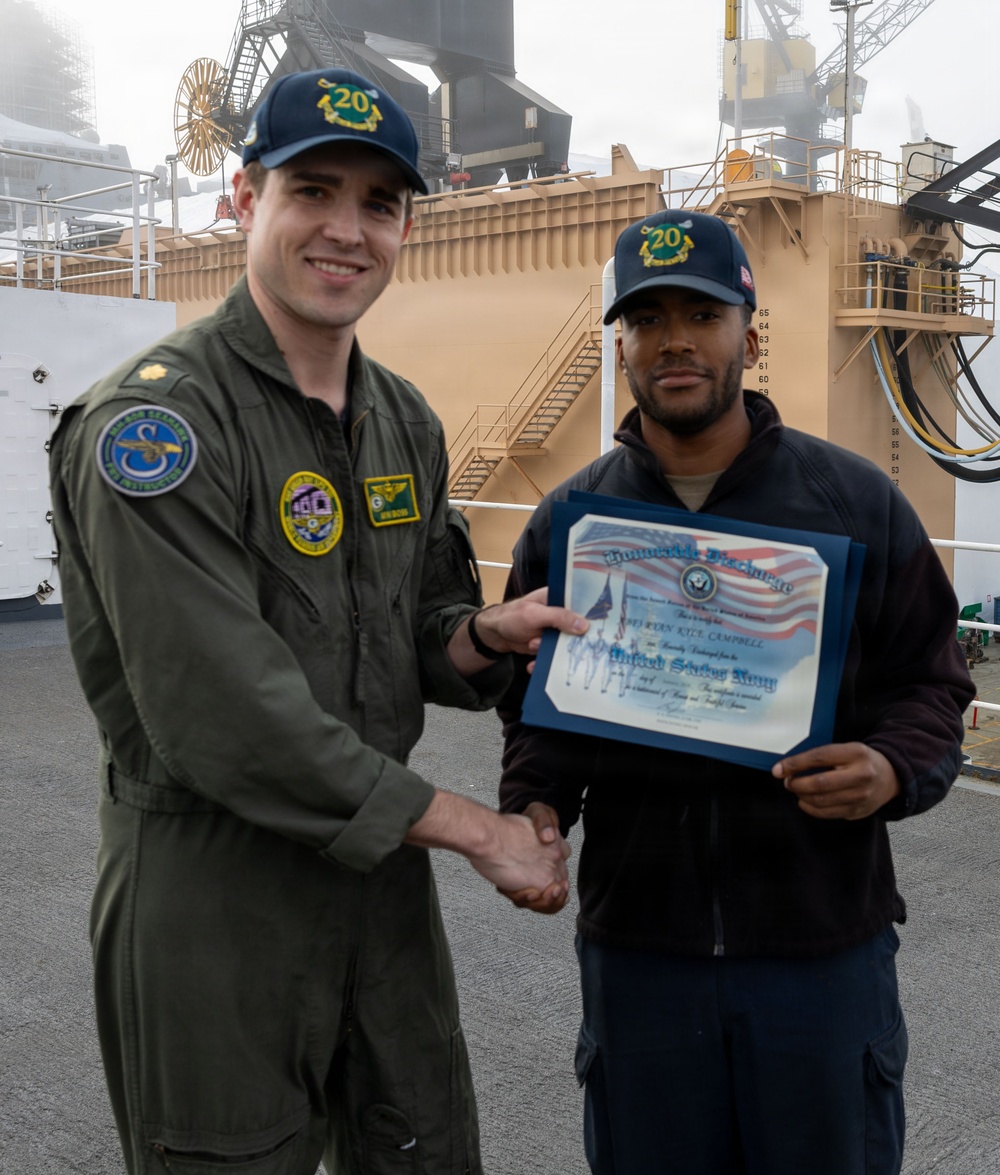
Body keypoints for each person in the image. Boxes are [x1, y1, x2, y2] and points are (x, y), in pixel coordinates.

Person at [49, 67, 585, 1175]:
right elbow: (226, 719)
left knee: (422, 1145)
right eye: (313, 190)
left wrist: (481, 636)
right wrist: (482, 831)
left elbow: (415, 623)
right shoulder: (155, 426)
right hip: (212, 886)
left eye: (380, 204)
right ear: (245, 199)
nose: (347, 231)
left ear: (404, 227)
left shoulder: (401, 417)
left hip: (376, 877)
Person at [497, 210, 975, 1175]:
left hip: (820, 948)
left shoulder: (855, 502)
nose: (675, 339)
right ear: (621, 343)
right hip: (641, 952)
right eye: (648, 318)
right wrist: (535, 810)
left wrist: (890, 766)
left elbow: (933, 681)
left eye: (702, 314)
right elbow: (539, 712)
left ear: (749, 335)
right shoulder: (571, 525)